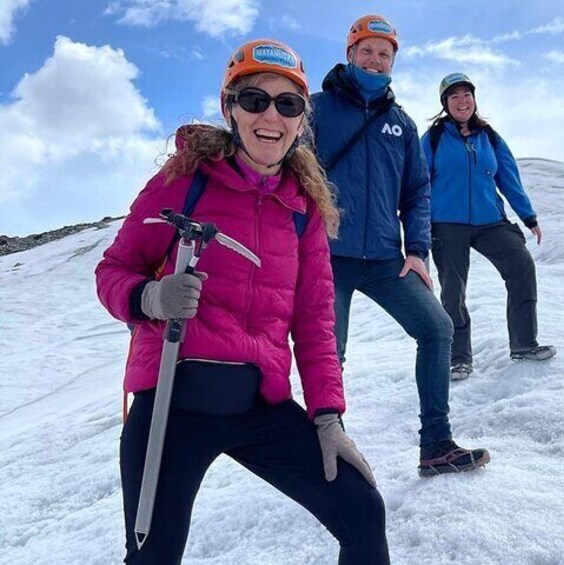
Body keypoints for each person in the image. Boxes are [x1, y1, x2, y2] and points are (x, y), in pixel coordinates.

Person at [95, 39, 389, 564]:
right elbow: (113, 271)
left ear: (302, 119)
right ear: (230, 107)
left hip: (258, 405)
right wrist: (150, 297)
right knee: (152, 553)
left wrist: (327, 417)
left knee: (362, 511)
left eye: (287, 104)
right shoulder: (182, 183)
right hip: (173, 402)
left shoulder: (303, 210)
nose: (270, 116)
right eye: (254, 100)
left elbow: (315, 320)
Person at [310, 15, 490, 477]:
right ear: (350, 55)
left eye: (384, 53)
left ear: (393, 62)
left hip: (388, 257)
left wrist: (418, 250)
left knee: (436, 327)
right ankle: (330, 453)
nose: (375, 59)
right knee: (330, 351)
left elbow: (417, 192)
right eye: (366, 51)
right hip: (326, 256)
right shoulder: (314, 110)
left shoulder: (401, 124)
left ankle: (436, 445)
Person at [421, 73, 556, 381]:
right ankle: (458, 359)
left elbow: (508, 177)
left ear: (474, 99)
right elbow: (419, 180)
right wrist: (418, 222)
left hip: (490, 221)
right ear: (445, 104)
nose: (461, 101)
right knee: (453, 290)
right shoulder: (434, 138)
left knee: (522, 266)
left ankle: (524, 344)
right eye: (454, 96)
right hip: (447, 223)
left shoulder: (489, 137)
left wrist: (528, 216)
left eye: (466, 94)